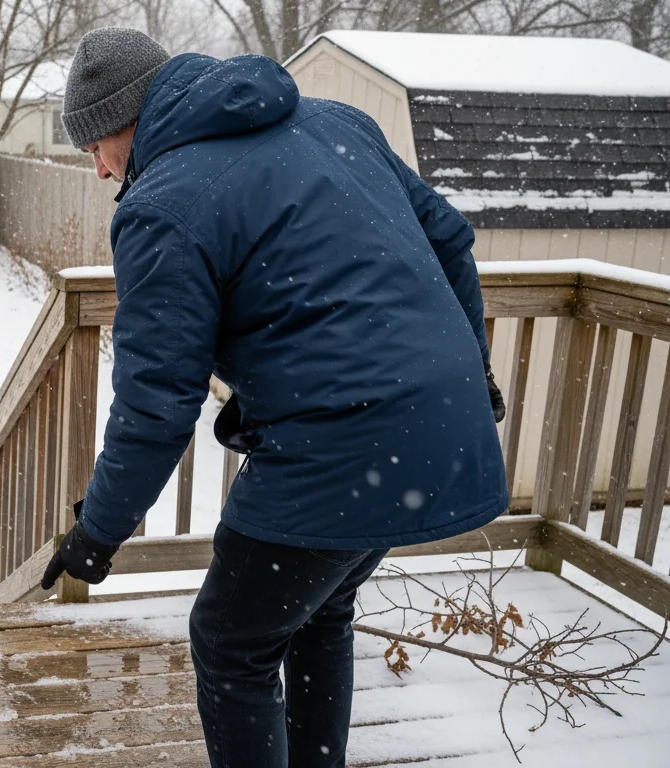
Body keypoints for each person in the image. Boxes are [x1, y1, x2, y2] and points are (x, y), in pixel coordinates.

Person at [39, 27, 509, 768]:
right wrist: (474, 375)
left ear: (124, 124)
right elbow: (449, 241)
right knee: (322, 612)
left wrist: (98, 532)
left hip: (343, 447)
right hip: (442, 425)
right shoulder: (335, 123)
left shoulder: (163, 204)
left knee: (230, 643)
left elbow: (158, 400)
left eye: (93, 146)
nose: (98, 171)